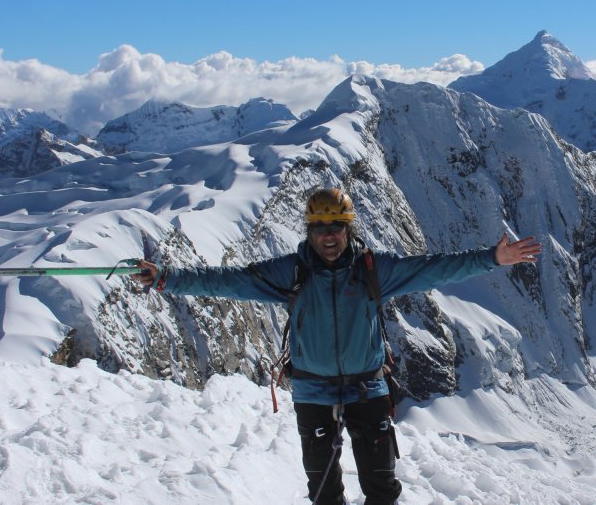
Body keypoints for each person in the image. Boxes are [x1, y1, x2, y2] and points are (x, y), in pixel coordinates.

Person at [132, 187, 542, 504]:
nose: (328, 237)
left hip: (368, 388)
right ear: (309, 231)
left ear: (349, 229)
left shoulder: (372, 270)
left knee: (381, 487)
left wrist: (492, 257)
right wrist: (169, 278)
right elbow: (228, 281)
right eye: (320, 229)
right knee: (324, 490)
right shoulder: (291, 272)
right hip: (313, 390)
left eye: (336, 227)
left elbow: (432, 268)